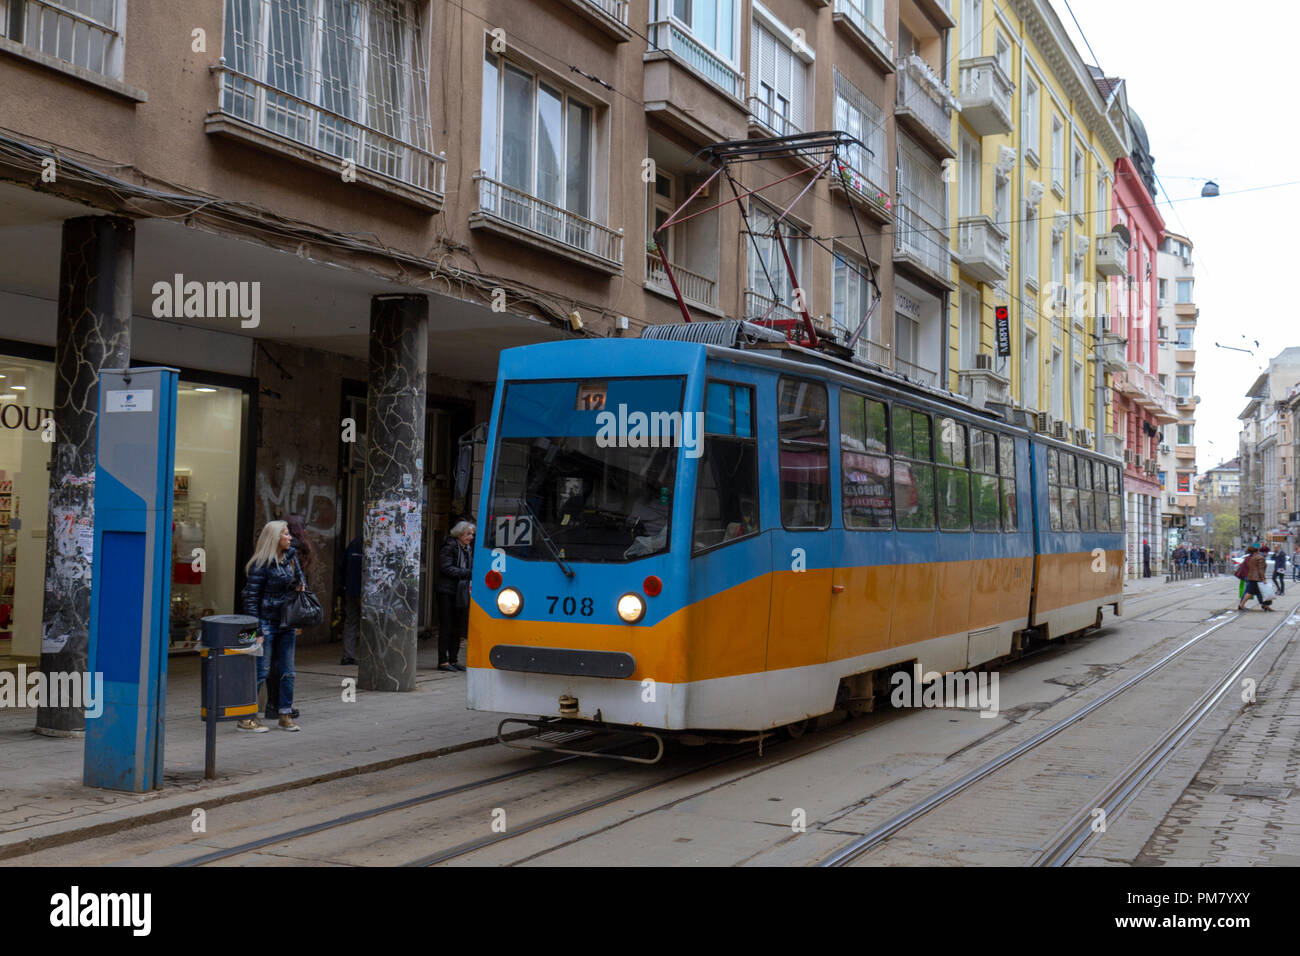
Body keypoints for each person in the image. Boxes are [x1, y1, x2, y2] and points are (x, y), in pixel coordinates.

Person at [244, 520, 305, 730]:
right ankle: (246, 717)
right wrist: (256, 631)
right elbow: (251, 599)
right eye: (285, 534)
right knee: (262, 670)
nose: (290, 537)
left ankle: (285, 714)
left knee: (288, 671)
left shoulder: (291, 558)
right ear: (274, 538)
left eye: (289, 534)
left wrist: (299, 587)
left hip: (286, 622)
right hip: (266, 623)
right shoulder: (260, 564)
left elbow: (301, 584)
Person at [435, 521, 475, 672]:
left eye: (472, 534)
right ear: (459, 534)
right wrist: (467, 573)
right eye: (468, 534)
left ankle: (454, 659)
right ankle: (443, 661)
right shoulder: (450, 546)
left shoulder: (467, 549)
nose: (471, 537)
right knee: (446, 626)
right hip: (446, 591)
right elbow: (446, 567)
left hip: (460, 591)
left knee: (458, 627)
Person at [337, 535, 363, 665]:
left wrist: (343, 584)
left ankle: (348, 655)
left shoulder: (354, 543)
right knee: (369, 623)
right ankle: (368, 654)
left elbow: (342, 565)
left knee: (351, 622)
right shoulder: (376, 543)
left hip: (351, 588)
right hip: (366, 591)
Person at [1237, 545, 1273, 612]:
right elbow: (1261, 570)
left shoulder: (1254, 556)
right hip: (1256, 578)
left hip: (1252, 577)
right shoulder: (1261, 558)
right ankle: (1241, 605)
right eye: (1267, 552)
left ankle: (1265, 606)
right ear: (1265, 552)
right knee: (1250, 592)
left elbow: (1249, 566)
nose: (1267, 554)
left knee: (1256, 592)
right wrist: (1263, 579)